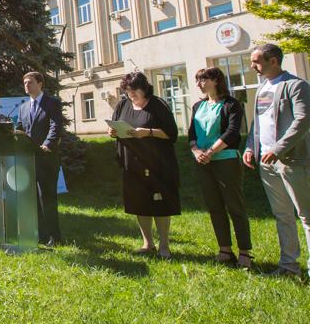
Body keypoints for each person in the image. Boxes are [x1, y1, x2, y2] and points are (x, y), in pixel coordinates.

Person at [244, 43, 310, 290]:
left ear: (273, 61)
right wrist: (250, 147)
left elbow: (302, 121)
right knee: (282, 215)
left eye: (257, 61)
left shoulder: (296, 85)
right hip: (266, 161)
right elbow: (257, 123)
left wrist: (278, 149)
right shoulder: (262, 88)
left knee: (308, 217)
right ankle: (289, 266)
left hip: (293, 161)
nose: (252, 66)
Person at [108, 71, 181, 259]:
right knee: (139, 203)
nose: (131, 94)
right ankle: (148, 243)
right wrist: (113, 131)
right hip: (132, 164)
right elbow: (114, 126)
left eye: (134, 90)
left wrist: (147, 132)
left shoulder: (158, 105)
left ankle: (164, 245)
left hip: (157, 163)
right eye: (127, 90)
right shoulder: (123, 105)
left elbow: (171, 133)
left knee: (160, 204)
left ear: (144, 88)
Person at [189, 67, 252, 269]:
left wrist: (211, 151)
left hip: (225, 160)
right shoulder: (198, 106)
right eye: (198, 80)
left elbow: (232, 132)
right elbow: (191, 134)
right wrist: (197, 152)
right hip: (203, 162)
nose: (199, 84)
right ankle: (225, 249)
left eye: (203, 80)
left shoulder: (231, 104)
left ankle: (245, 252)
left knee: (235, 206)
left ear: (216, 80)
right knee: (214, 207)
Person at [19, 72, 66, 246]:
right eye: (25, 83)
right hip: (28, 159)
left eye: (30, 82)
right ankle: (40, 235)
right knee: (32, 199)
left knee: (47, 198)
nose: (26, 85)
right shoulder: (23, 107)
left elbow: (56, 126)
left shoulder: (52, 103)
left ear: (40, 84)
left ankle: (55, 237)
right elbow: (20, 130)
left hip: (46, 158)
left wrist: (47, 144)